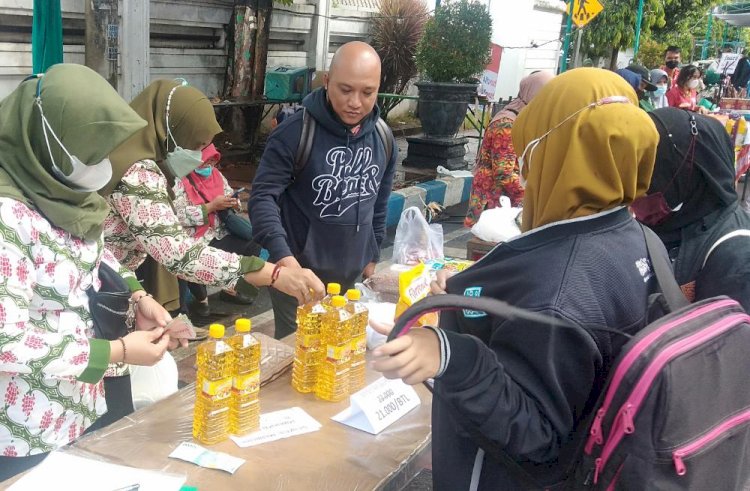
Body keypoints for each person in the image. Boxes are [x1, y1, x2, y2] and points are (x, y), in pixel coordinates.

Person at [372, 68, 662, 489]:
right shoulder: (633, 236)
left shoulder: (558, 285)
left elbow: (537, 434)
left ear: (560, 152)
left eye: (530, 148)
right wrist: (464, 298)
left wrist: (451, 353)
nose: (524, 165)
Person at [0, 64, 174, 481]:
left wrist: (138, 295)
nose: (99, 166)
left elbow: (94, 253)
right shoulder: (9, 218)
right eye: (89, 153)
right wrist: (118, 352)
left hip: (78, 403)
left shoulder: (60, 193)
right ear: (48, 141)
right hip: (24, 428)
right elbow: (8, 340)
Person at [101, 80, 325, 322]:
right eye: (196, 145)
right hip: (103, 286)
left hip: (119, 275)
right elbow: (179, 255)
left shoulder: (140, 158)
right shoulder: (138, 175)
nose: (198, 156)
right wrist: (273, 274)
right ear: (171, 130)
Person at [249, 41, 397, 339]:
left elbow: (380, 198)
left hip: (351, 277)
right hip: (300, 277)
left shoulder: (383, 136)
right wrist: (285, 260)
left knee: (342, 357)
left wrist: (372, 253)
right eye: (345, 90)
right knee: (300, 363)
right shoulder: (295, 132)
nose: (355, 102)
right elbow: (262, 198)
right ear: (327, 81)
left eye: (367, 92)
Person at [632, 108, 750, 310]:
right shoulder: (675, 220)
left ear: (693, 170)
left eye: (654, 166)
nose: (640, 184)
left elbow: (724, 338)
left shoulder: (736, 257)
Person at [172, 143, 263, 316]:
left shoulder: (216, 175)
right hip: (193, 237)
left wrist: (233, 203)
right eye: (205, 162)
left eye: (213, 162)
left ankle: (231, 288)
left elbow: (228, 194)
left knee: (253, 243)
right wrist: (210, 206)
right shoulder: (180, 180)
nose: (209, 167)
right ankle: (201, 300)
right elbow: (176, 215)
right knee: (193, 256)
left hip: (218, 232)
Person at [464, 71, 554, 227]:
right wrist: (533, 196)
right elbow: (503, 173)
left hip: (505, 203)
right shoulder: (507, 124)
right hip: (493, 203)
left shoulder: (522, 119)